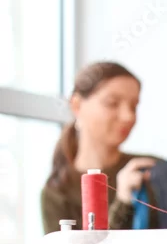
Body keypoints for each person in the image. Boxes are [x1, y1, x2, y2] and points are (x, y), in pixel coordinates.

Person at [41, 62, 159, 233]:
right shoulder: (57, 193)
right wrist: (123, 205)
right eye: (112, 103)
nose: (128, 116)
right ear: (77, 106)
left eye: (134, 106)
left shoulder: (148, 168)